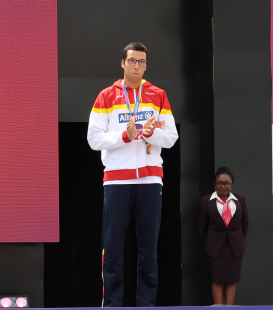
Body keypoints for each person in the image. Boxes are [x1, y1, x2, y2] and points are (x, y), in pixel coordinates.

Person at [87, 42, 178, 307]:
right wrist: (123, 137)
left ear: (146, 65)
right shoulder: (106, 96)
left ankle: (145, 305)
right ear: (123, 63)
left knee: (148, 250)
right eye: (132, 61)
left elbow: (171, 136)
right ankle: (113, 304)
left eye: (142, 62)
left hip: (150, 178)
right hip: (117, 179)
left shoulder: (158, 95)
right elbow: (93, 138)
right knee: (113, 248)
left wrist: (153, 133)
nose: (137, 66)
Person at [199, 166, 249, 305]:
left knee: (231, 280)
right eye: (220, 183)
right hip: (215, 248)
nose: (223, 186)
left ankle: (229, 309)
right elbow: (203, 228)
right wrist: (211, 243)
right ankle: (218, 309)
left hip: (235, 248)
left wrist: (237, 240)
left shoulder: (240, 200)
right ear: (215, 184)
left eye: (227, 183)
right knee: (217, 280)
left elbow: (244, 225)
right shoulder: (206, 201)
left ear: (232, 185)